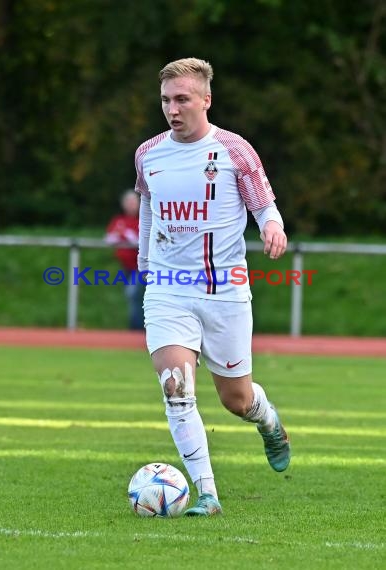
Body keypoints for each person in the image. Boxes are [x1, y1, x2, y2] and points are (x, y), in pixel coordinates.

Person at [134, 57, 290, 516]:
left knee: (235, 399)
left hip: (224, 290)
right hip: (167, 288)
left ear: (206, 100)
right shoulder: (148, 153)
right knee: (176, 388)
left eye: (182, 99)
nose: (173, 109)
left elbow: (264, 204)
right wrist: (146, 263)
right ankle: (207, 494)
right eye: (166, 100)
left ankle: (269, 421)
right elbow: (147, 209)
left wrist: (273, 228)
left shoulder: (234, 150)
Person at [105, 190, 144, 330]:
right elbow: (109, 239)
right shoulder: (119, 220)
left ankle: (136, 327)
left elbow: (142, 241)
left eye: (133, 202)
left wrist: (126, 235)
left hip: (141, 267)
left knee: (133, 294)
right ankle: (137, 326)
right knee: (134, 296)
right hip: (126, 266)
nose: (131, 205)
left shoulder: (144, 219)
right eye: (128, 202)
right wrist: (120, 235)